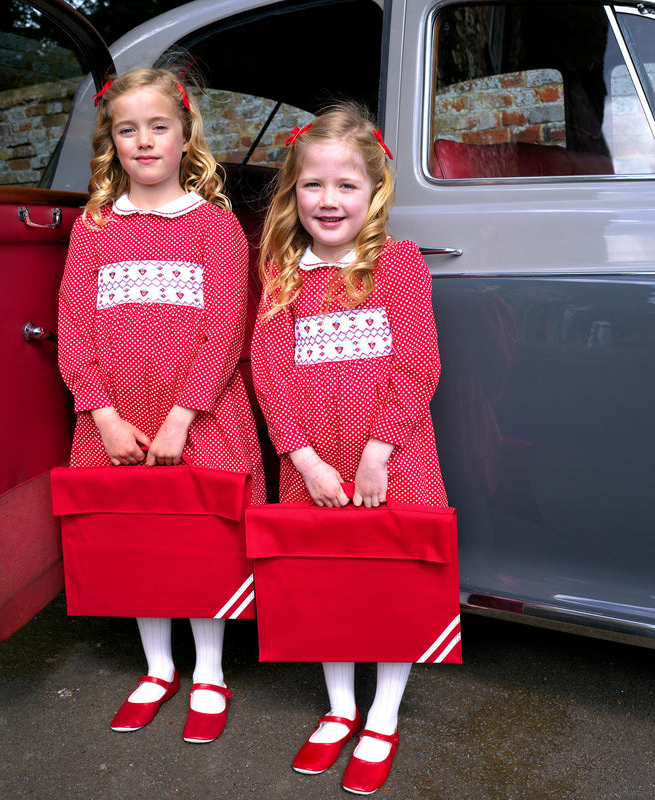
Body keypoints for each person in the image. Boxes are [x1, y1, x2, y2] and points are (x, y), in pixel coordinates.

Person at [57, 67, 266, 744]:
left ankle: (208, 670)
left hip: (197, 417)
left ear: (184, 136)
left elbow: (226, 329)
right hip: (116, 420)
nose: (143, 141)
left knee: (199, 541)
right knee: (137, 541)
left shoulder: (214, 226)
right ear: (111, 142)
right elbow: (73, 326)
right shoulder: (93, 228)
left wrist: (182, 416)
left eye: (158, 127)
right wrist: (103, 414)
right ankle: (156, 668)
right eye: (127, 129)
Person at [250, 104, 449, 794]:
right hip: (314, 461)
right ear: (292, 193)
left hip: (390, 456)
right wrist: (302, 458)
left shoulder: (396, 263)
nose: (328, 201)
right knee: (327, 582)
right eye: (313, 186)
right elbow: (268, 370)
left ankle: (384, 714)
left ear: (374, 192)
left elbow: (418, 364)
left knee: (390, 582)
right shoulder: (283, 271)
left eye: (346, 186)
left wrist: (377, 453)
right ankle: (340, 709)